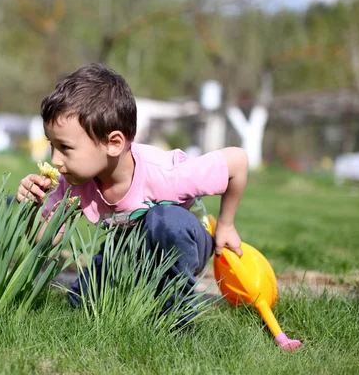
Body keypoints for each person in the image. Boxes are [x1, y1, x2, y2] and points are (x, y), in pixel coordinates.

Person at [16, 63, 248, 314]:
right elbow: (47, 241)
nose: (55, 160)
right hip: (126, 248)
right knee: (80, 305)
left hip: (181, 243)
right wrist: (31, 209)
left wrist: (225, 225)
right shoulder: (72, 182)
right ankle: (136, 289)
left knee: (164, 220)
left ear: (113, 143)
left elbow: (237, 161)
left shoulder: (167, 173)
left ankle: (174, 314)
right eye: (51, 145)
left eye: (65, 147)